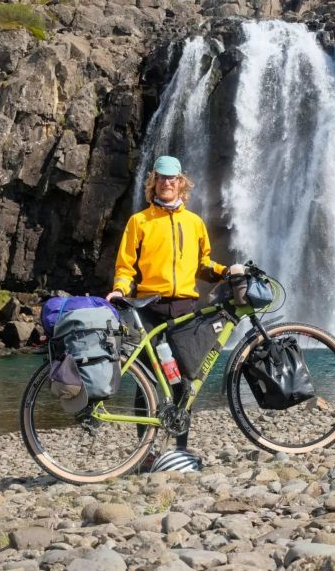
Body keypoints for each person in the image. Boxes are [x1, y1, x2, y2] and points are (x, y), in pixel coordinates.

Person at [106, 155, 226, 451]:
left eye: (172, 178)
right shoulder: (139, 221)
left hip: (185, 309)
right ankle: (143, 451)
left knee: (183, 381)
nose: (167, 183)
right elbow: (125, 267)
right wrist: (120, 290)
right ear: (153, 183)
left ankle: (180, 450)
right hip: (150, 307)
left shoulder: (194, 222)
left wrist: (228, 271)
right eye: (161, 178)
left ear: (181, 183)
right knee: (145, 381)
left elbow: (204, 264)